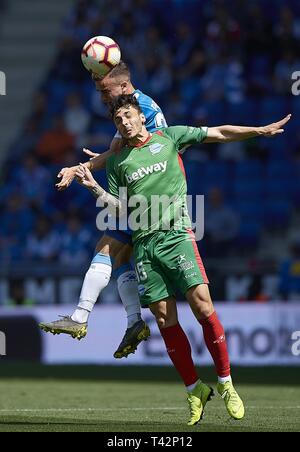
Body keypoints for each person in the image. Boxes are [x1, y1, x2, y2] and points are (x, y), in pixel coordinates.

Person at [75, 94, 290, 424]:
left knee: (203, 306)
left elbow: (218, 133)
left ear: (142, 117)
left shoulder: (171, 137)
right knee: (164, 320)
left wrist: (258, 131)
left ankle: (226, 384)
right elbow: (119, 209)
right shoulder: (118, 163)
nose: (125, 122)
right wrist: (93, 187)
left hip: (177, 236)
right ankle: (194, 390)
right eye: (119, 120)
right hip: (145, 246)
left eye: (129, 116)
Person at [39, 62, 167, 358]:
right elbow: (126, 149)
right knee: (121, 257)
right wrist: (106, 157)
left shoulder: (136, 109)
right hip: (143, 192)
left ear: (122, 87)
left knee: (106, 249)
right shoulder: (136, 106)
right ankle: (135, 322)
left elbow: (156, 148)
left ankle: (80, 317)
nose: (101, 97)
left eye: (105, 90)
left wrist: (80, 168)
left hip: (145, 194)